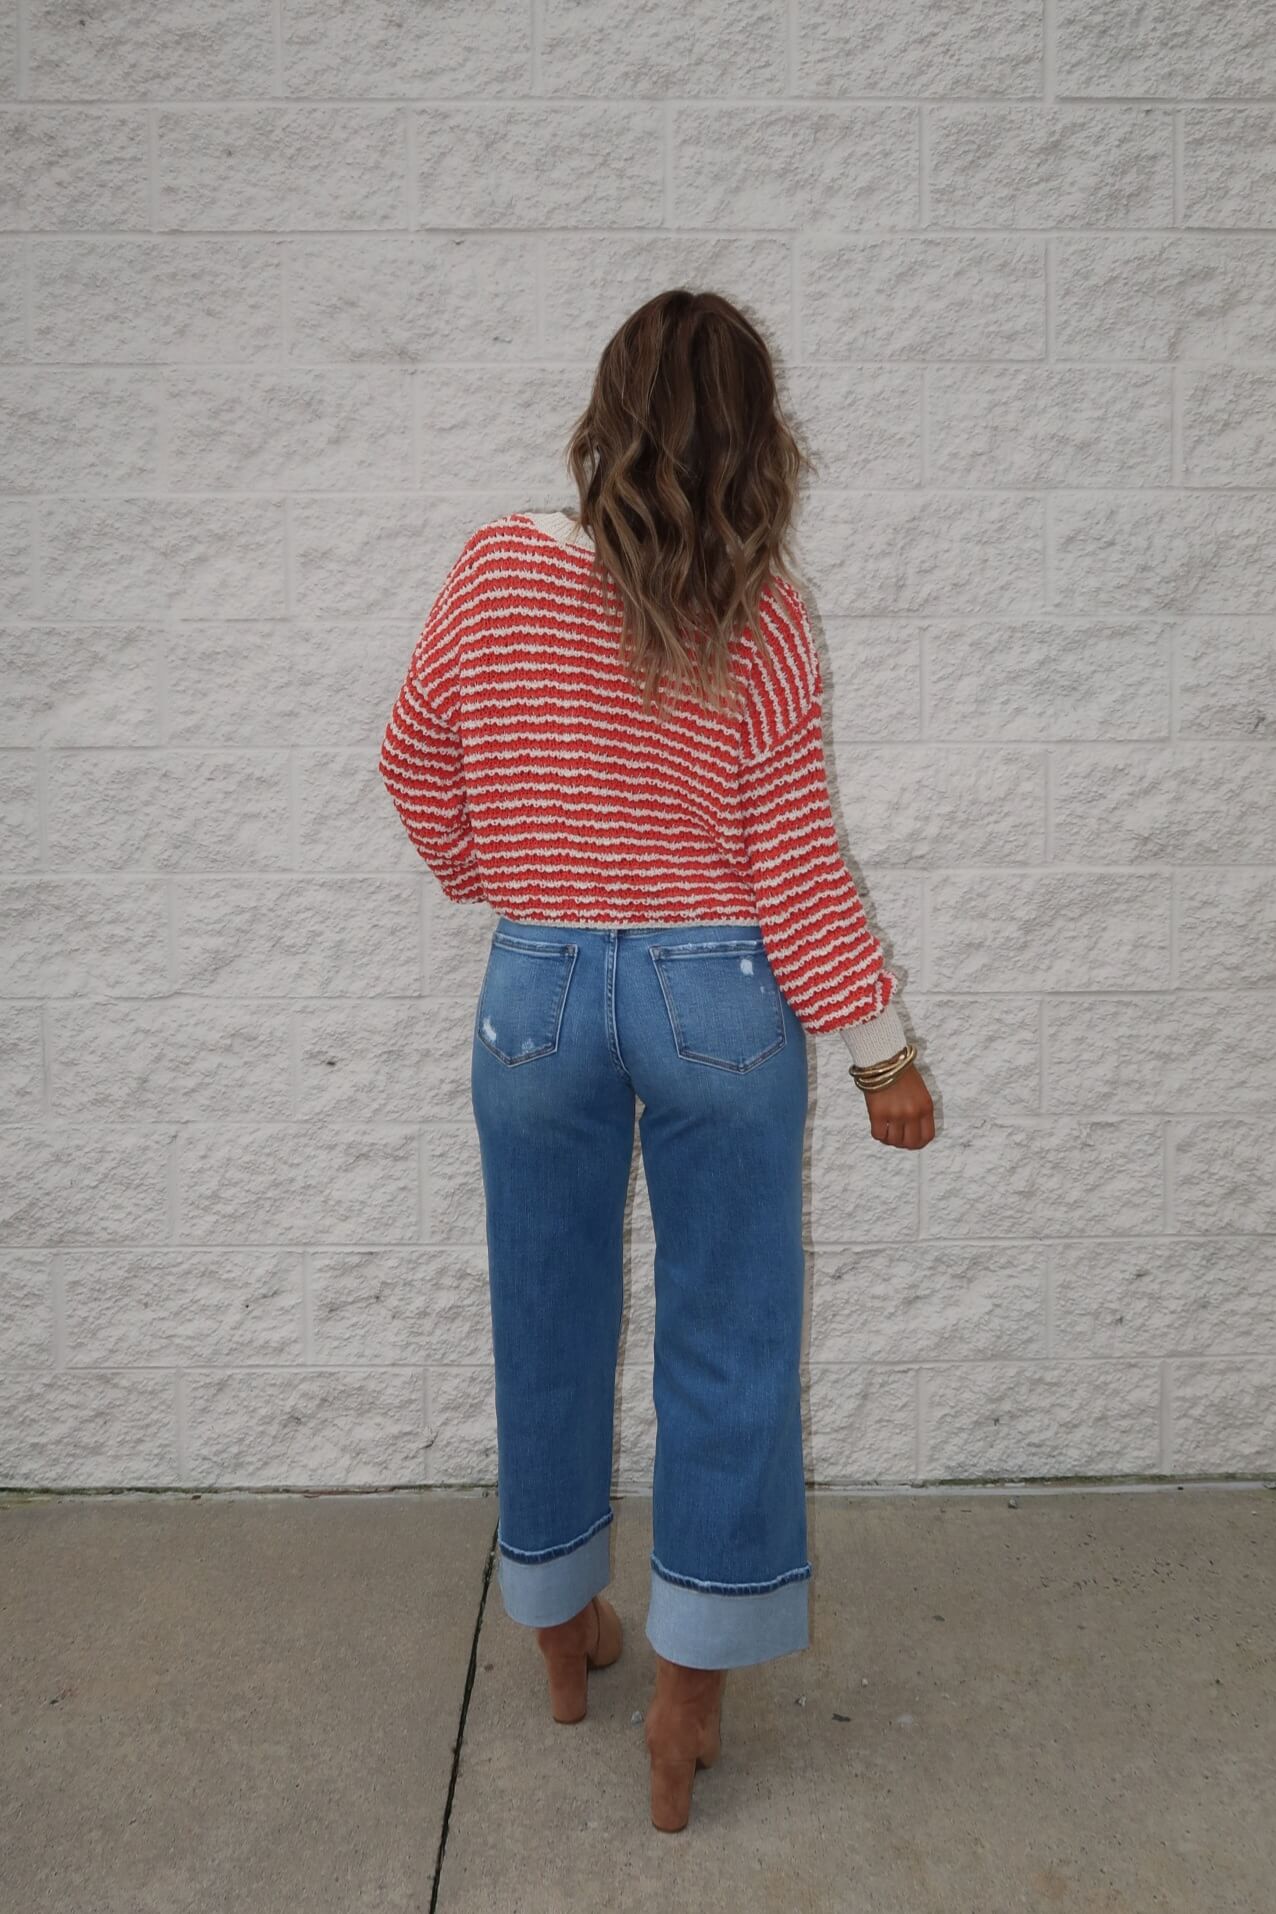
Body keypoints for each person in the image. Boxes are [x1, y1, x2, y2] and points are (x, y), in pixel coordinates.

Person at [379, 287, 935, 1833]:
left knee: (544, 1314)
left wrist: (518, 882)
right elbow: (799, 864)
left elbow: (414, 764)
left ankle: (564, 1639)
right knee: (729, 1338)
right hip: (718, 994)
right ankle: (687, 1699)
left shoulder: (494, 569)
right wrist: (883, 1051)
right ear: (759, 443)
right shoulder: (762, 609)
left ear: (605, 410)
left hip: (538, 986)